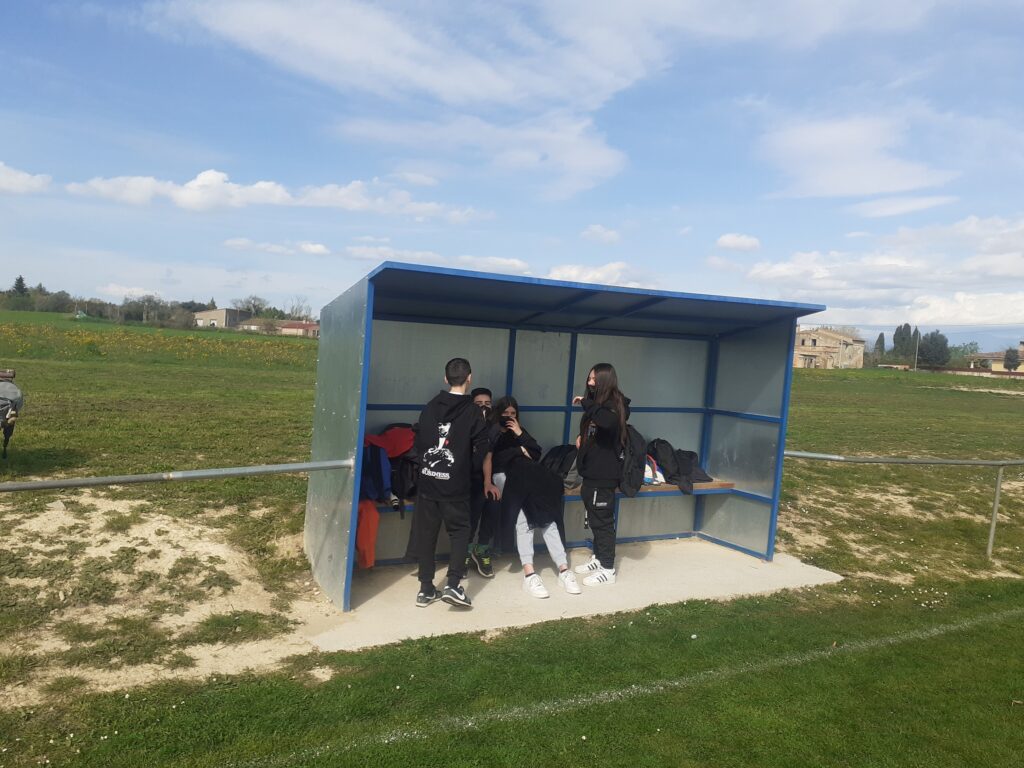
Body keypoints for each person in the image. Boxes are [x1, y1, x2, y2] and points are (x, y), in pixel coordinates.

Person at [412, 358, 490, 608]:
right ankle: (453, 585)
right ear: (470, 378)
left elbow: (419, 441)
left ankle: (426, 589)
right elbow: (483, 446)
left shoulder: (430, 407)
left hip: (428, 484)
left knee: (427, 535)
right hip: (455, 486)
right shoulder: (473, 411)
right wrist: (466, 468)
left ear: (446, 379)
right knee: (460, 533)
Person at [489, 396, 581, 598]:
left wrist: (520, 434)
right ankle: (529, 573)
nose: (509, 417)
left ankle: (563, 568)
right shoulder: (493, 431)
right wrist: (519, 450)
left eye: (513, 414)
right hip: (505, 477)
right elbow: (496, 459)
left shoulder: (518, 431)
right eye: (506, 413)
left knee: (548, 517)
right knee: (523, 520)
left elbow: (536, 453)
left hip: (528, 476)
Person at [572, 363, 630, 586]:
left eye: (594, 380)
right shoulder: (599, 404)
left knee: (603, 521)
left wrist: (586, 403)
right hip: (591, 473)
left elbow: (607, 422)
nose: (589, 383)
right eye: (589, 379)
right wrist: (582, 438)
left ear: (605, 380)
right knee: (595, 520)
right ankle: (598, 558)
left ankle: (607, 569)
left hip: (604, 475)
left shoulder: (616, 404)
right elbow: (595, 429)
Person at [466, 387, 499, 577]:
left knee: (493, 500)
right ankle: (464, 550)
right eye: (478, 404)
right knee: (472, 510)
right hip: (463, 477)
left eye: (487, 403)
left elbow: (488, 456)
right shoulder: (463, 424)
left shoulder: (493, 428)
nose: (483, 407)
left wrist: (488, 482)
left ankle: (482, 549)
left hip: (481, 476)